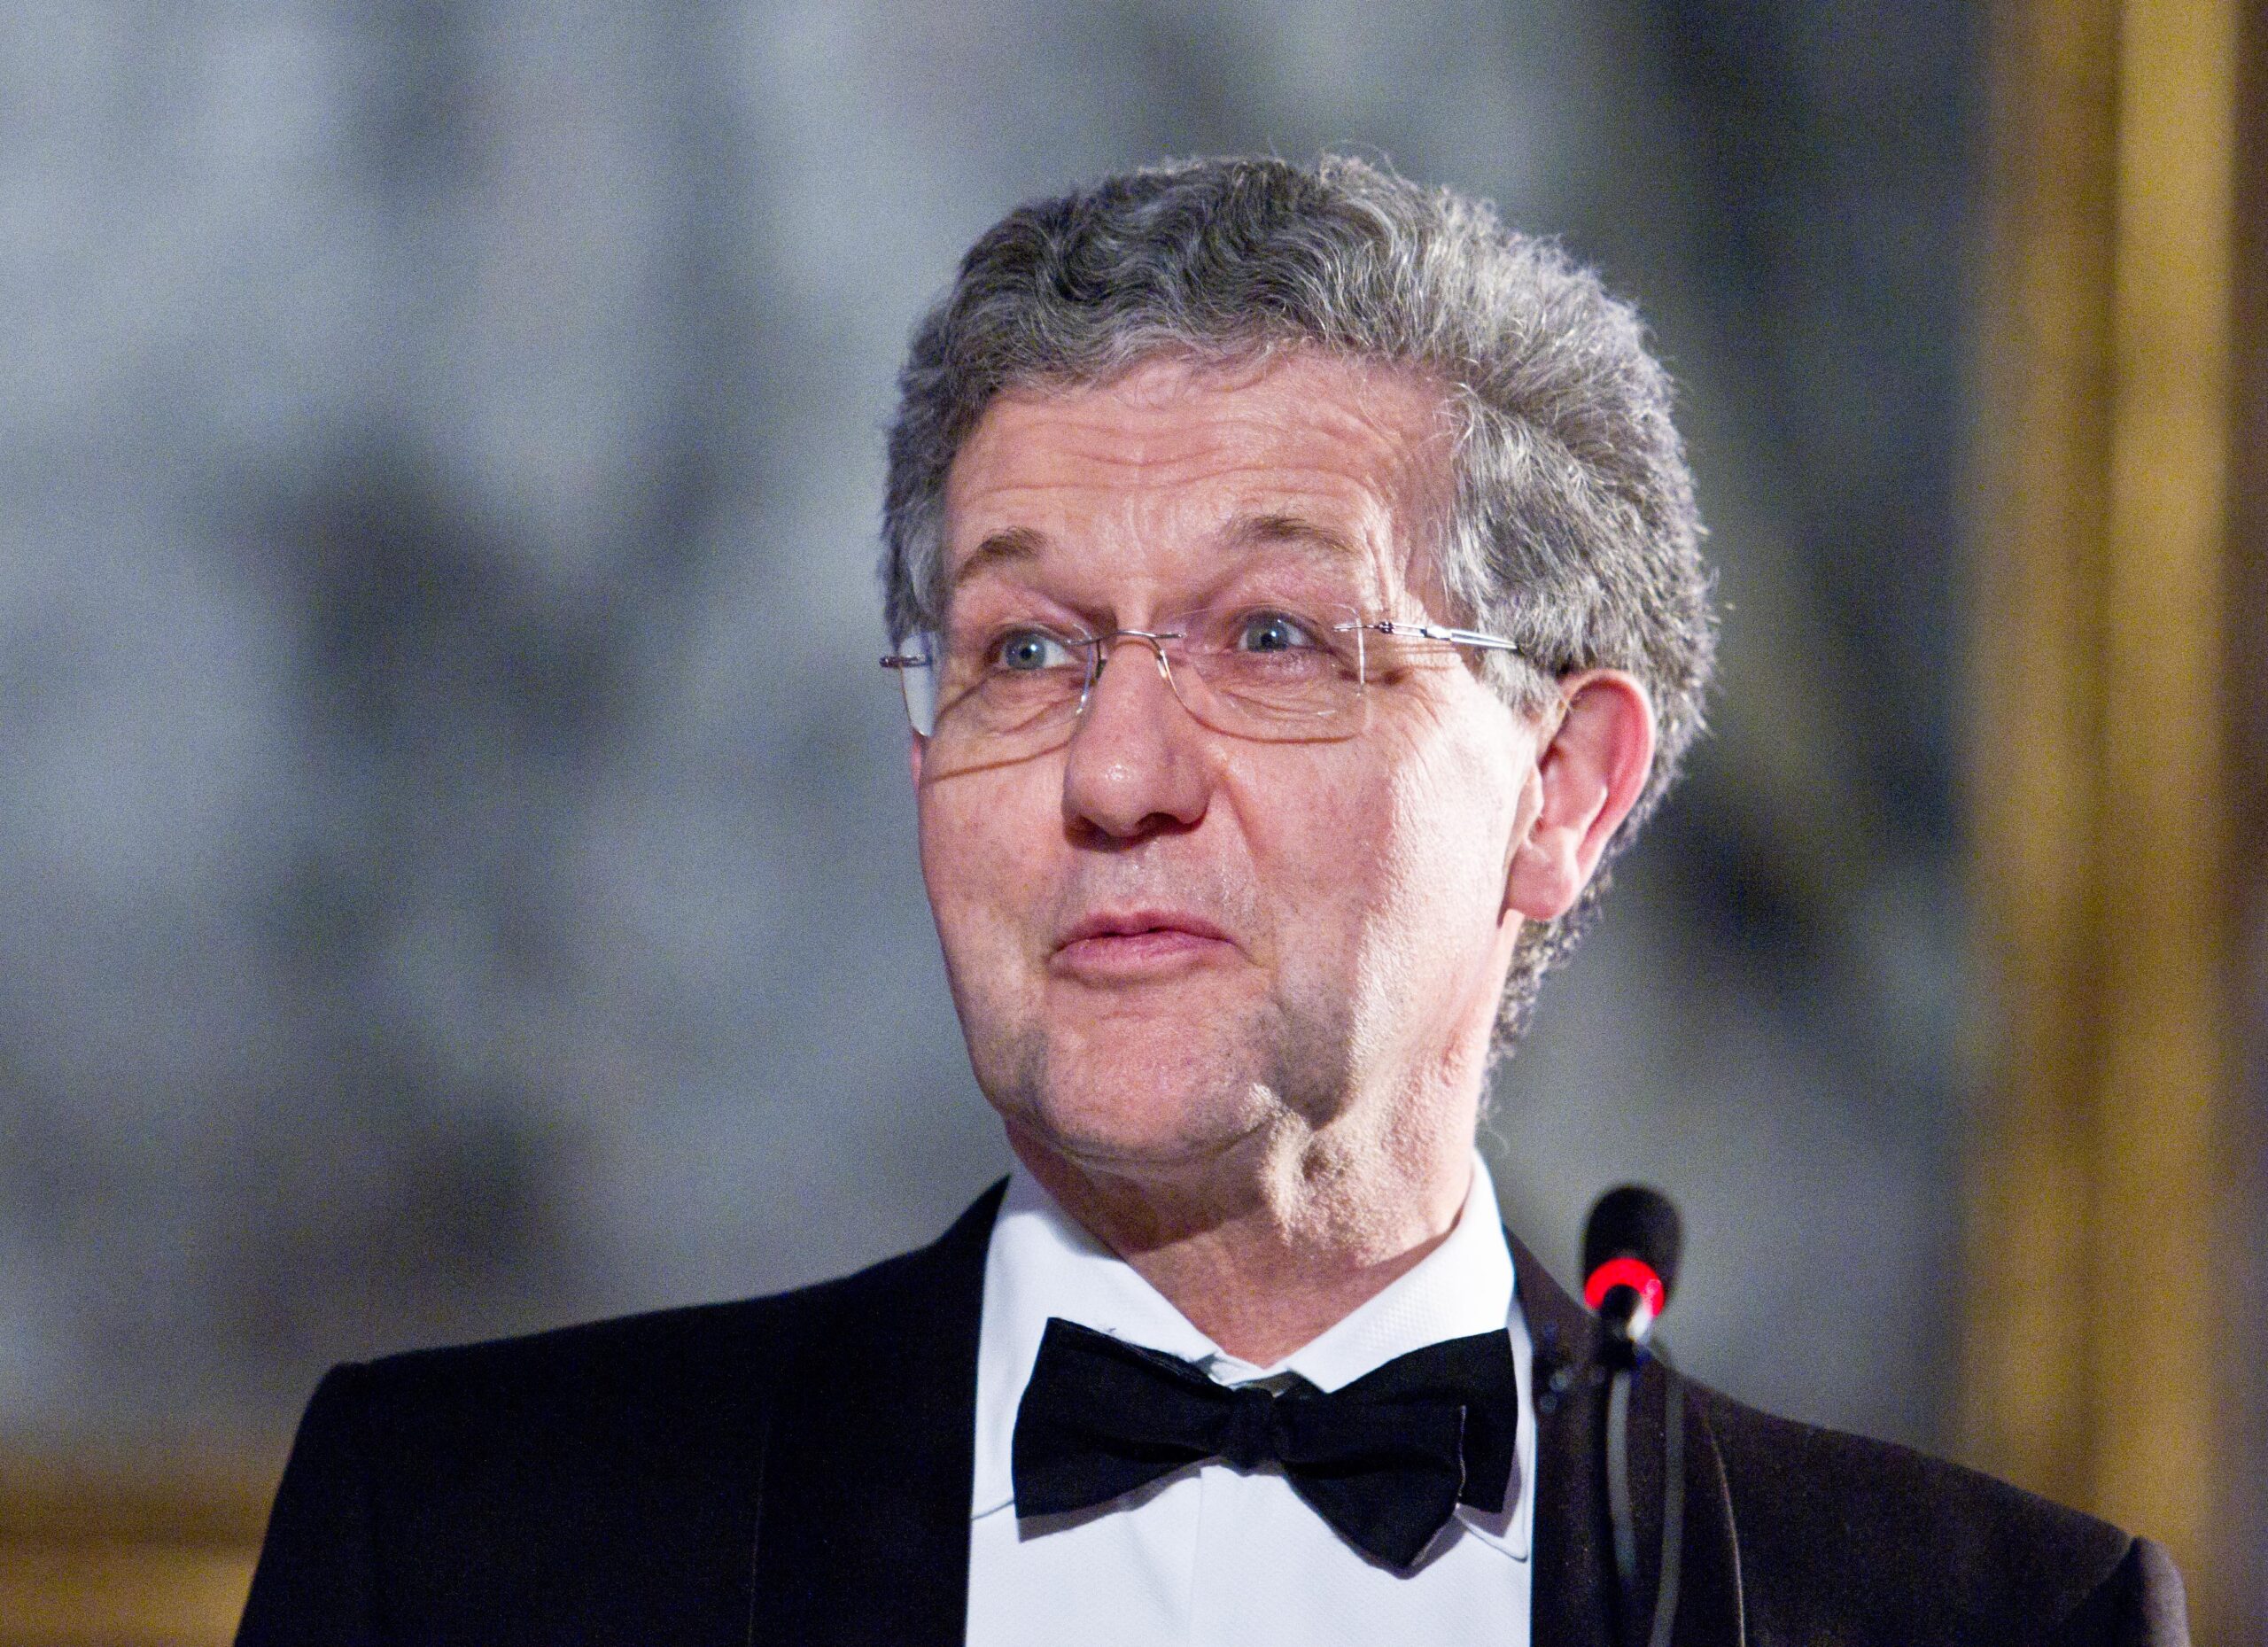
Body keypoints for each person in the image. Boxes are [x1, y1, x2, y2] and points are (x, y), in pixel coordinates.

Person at [236, 154, 2188, 1645]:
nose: (1114, 775)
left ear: (1558, 791)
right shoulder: (460, 1546)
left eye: (1270, 637)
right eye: (1022, 652)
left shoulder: (1994, 1623)